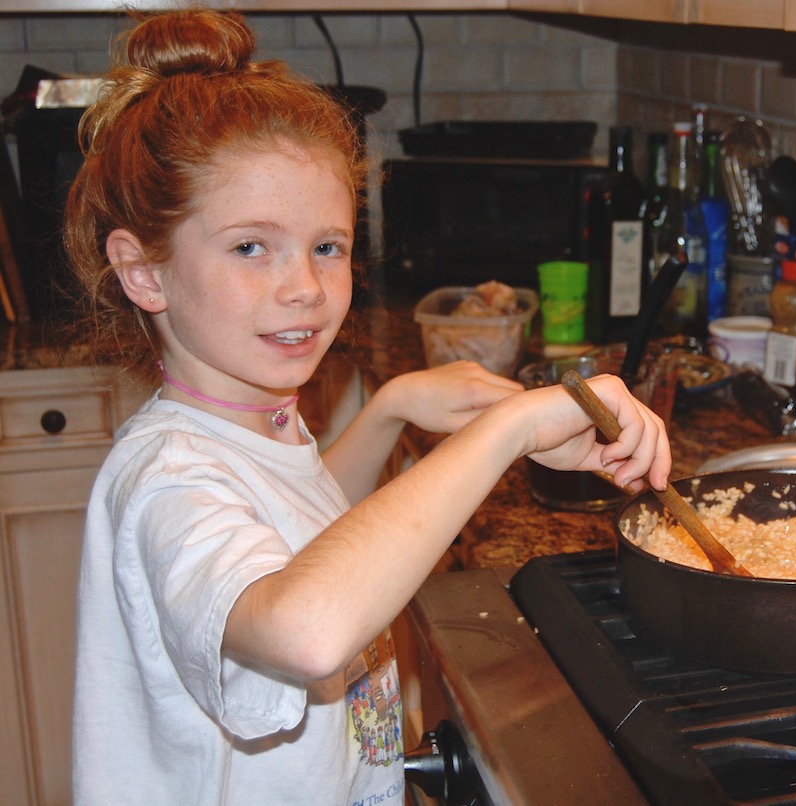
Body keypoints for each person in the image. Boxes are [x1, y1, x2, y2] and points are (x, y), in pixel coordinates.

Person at [64, 9, 671, 804]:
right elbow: (305, 631)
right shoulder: (167, 479)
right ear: (144, 272)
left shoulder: (256, 415)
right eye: (252, 246)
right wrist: (505, 430)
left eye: (328, 245)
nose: (305, 288)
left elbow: (305, 528)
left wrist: (390, 409)